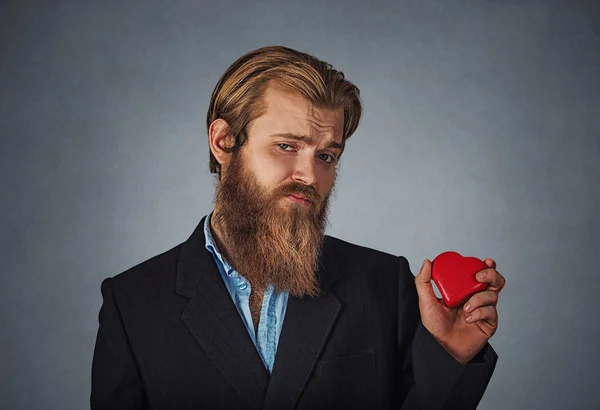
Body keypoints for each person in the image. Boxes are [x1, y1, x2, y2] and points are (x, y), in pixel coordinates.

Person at [91, 45, 506, 410]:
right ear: (223, 142)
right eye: (286, 146)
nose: (309, 174)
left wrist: (449, 353)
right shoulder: (133, 303)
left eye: (326, 156)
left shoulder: (384, 283)